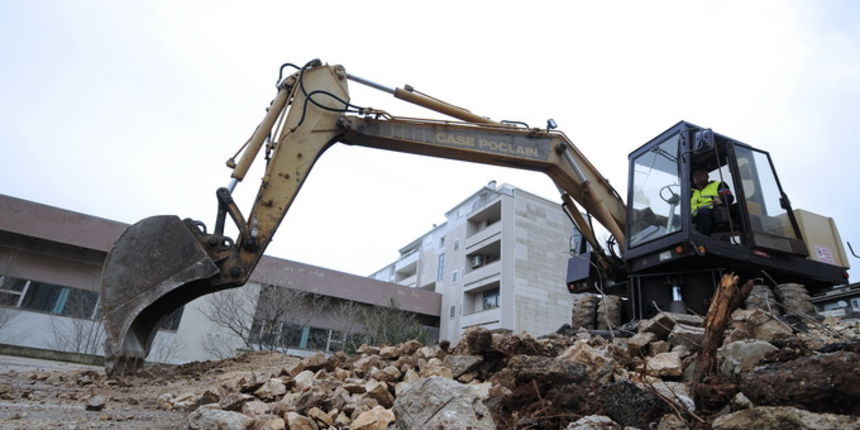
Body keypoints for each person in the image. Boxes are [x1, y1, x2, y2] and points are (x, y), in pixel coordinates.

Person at [690, 168, 734, 235]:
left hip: (712, 215)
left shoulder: (718, 185)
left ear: (707, 176)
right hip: (693, 218)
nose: (697, 176)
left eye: (700, 174)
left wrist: (721, 201)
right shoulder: (691, 192)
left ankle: (703, 239)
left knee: (702, 212)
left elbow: (729, 197)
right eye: (695, 175)